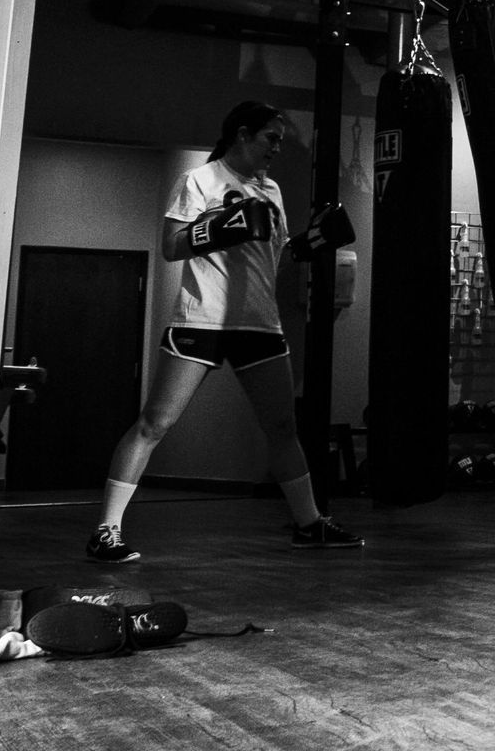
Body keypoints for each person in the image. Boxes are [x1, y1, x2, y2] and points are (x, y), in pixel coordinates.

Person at [85, 101, 363, 563]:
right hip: (202, 320)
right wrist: (222, 227)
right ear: (242, 134)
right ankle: (105, 532)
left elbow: (273, 255)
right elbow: (172, 246)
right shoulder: (198, 180)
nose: (277, 146)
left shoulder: (270, 189)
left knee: (281, 427)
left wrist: (310, 242)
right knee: (155, 423)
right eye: (270, 137)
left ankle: (309, 524)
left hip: (259, 322)